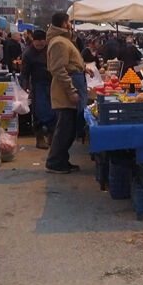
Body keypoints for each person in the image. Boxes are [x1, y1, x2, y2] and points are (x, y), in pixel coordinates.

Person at [45, 12, 89, 174]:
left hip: (70, 86)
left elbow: (71, 62)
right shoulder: (59, 42)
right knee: (65, 129)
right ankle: (54, 162)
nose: (71, 24)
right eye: (69, 21)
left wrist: (84, 68)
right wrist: (71, 90)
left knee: (69, 129)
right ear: (64, 24)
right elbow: (58, 68)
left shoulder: (65, 40)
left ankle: (62, 160)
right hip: (64, 91)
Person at [20, 30, 54, 149]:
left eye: (42, 43)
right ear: (33, 41)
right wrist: (24, 89)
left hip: (52, 84)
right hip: (37, 85)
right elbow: (24, 73)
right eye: (37, 43)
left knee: (53, 110)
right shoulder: (28, 53)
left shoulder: (50, 50)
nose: (40, 45)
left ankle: (52, 136)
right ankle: (39, 138)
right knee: (38, 112)